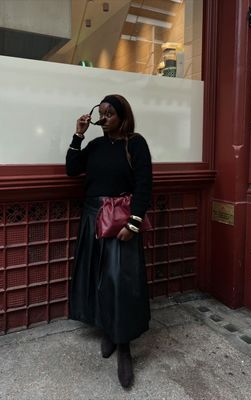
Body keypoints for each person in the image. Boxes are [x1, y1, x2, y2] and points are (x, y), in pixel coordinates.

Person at [65, 94, 152, 388]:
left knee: (120, 281)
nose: (103, 117)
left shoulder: (135, 143)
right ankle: (107, 329)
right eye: (100, 112)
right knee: (97, 278)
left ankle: (124, 345)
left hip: (119, 220)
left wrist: (134, 222)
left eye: (110, 113)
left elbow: (144, 184)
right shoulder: (95, 145)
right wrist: (78, 134)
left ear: (123, 117)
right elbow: (71, 168)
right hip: (92, 218)